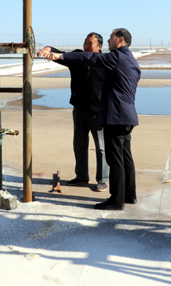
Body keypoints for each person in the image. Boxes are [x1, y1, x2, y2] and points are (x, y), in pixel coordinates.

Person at [39, 28, 140, 211]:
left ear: (120, 40)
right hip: (127, 115)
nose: (109, 41)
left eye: (111, 38)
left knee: (114, 159)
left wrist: (59, 55)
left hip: (115, 117)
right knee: (125, 157)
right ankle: (129, 195)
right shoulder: (130, 59)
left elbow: (91, 58)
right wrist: (54, 52)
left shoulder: (116, 57)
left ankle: (117, 200)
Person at [40, 33, 109, 192]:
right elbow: (61, 55)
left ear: (99, 46)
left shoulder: (104, 61)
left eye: (90, 43)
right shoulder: (78, 57)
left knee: (101, 148)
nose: (86, 45)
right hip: (79, 110)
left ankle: (103, 179)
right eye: (85, 42)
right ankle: (82, 176)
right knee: (79, 145)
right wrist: (47, 49)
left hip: (98, 112)